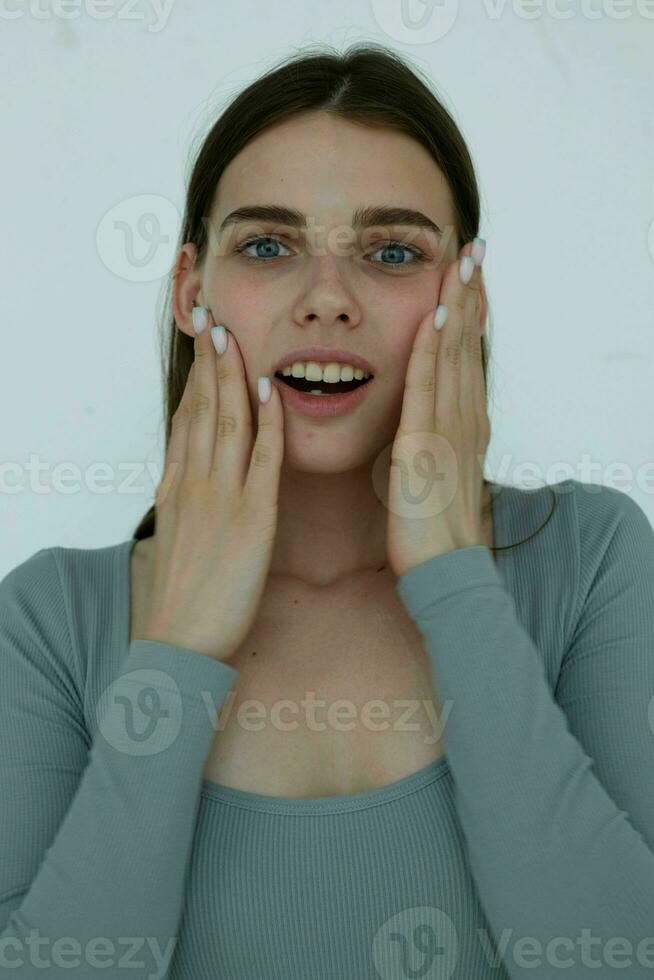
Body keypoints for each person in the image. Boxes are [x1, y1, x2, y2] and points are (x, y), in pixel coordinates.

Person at [1, 42, 654, 980]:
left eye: (393, 252)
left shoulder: (591, 559)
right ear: (192, 290)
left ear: (465, 294)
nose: (327, 302)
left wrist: (453, 581)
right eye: (268, 245)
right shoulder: (47, 622)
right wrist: (178, 648)